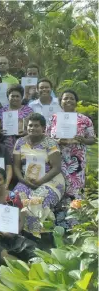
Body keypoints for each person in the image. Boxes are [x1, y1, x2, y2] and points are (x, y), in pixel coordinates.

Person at [46, 90, 96, 228]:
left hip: (77, 160)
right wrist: (57, 140)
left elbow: (92, 139)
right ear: (60, 101)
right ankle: (59, 224)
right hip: (58, 159)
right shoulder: (53, 118)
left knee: (75, 190)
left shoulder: (85, 120)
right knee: (60, 188)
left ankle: (75, 225)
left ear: (76, 101)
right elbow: (46, 139)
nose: (68, 101)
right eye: (65, 98)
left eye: (71, 98)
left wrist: (84, 140)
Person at [13, 113, 65, 235]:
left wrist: (40, 182)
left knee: (36, 201)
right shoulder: (20, 142)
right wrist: (23, 180)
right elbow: (16, 166)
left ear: (43, 128)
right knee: (15, 198)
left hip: (50, 180)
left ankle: (35, 235)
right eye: (30, 125)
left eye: (36, 126)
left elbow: (56, 168)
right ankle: (17, 232)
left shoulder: (50, 143)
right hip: (26, 180)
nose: (32, 128)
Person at [0, 84, 33, 158]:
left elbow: (33, 127)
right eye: (12, 96)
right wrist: (0, 131)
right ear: (8, 97)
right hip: (5, 144)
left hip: (24, 143)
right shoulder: (1, 111)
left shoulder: (28, 110)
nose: (15, 98)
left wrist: (26, 132)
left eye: (17, 96)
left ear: (22, 97)